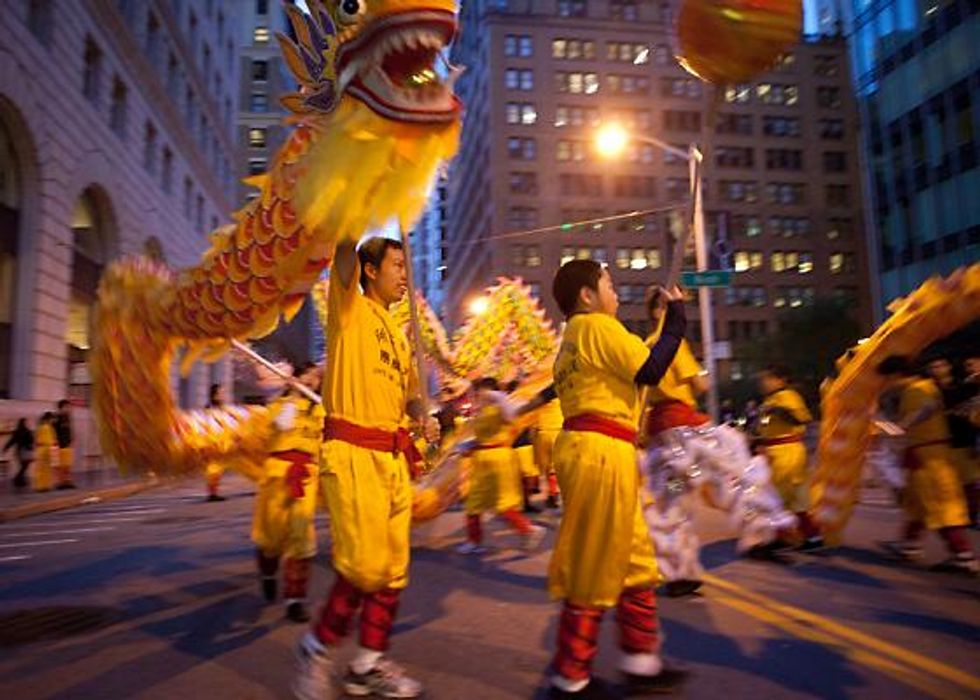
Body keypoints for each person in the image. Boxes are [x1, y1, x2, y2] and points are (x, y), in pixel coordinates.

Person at [294, 237, 438, 700]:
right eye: (397, 265)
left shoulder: (400, 336)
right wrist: (358, 184)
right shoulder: (348, 306)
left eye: (405, 266)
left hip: (393, 461)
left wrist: (422, 413)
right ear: (370, 270)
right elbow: (343, 249)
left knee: (393, 572)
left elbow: (411, 395)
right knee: (363, 568)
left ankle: (367, 665)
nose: (403, 274)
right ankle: (316, 648)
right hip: (352, 453)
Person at [547, 259, 688, 699]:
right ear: (587, 296)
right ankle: (570, 677)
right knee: (593, 563)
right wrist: (676, 319)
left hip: (598, 450)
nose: (615, 291)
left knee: (633, 560)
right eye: (609, 283)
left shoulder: (571, 340)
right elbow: (650, 368)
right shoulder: (596, 326)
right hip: (600, 452)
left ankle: (640, 661)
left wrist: (660, 322)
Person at [877, 356, 978, 574]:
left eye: (886, 379)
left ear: (895, 375)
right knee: (918, 505)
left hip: (929, 458)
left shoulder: (916, 390)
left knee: (940, 507)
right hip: (924, 455)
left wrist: (878, 422)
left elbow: (918, 415)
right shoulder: (923, 387)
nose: (886, 384)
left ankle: (963, 556)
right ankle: (909, 545)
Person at [252, 362, 324, 623]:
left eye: (316, 378)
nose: (311, 380)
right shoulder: (278, 407)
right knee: (270, 538)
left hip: (305, 477)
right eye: (306, 375)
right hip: (275, 475)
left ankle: (295, 599)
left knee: (301, 537)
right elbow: (281, 426)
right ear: (293, 378)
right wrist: (292, 397)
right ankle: (269, 574)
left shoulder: (320, 412)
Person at [457, 377, 544, 553]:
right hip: (482, 461)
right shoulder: (483, 412)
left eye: (479, 391)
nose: (476, 396)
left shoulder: (501, 408)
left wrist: (498, 397)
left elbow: (512, 416)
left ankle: (529, 530)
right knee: (474, 502)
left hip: (498, 461)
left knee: (502, 504)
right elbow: (483, 436)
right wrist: (470, 444)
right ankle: (474, 541)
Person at [753, 365, 823, 552]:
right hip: (778, 451)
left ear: (780, 379)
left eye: (767, 379)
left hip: (786, 451)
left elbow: (801, 419)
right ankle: (813, 537)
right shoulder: (771, 400)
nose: (763, 383)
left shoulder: (787, 396)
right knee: (795, 498)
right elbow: (766, 427)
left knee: (778, 497)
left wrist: (778, 411)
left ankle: (781, 538)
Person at [925, 356, 979, 529]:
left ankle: (971, 515)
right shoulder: (928, 390)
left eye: (940, 365)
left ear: (948, 367)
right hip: (943, 443)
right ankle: (965, 515)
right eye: (933, 366)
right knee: (956, 485)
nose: (937, 369)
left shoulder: (962, 386)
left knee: (972, 482)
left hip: (965, 440)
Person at [204, 383, 228, 502]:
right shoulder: (210, 409)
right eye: (221, 393)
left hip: (221, 441)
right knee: (214, 468)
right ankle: (212, 493)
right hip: (214, 442)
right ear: (215, 395)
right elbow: (212, 426)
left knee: (218, 469)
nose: (223, 395)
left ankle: (213, 492)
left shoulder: (221, 408)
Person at [4, 418, 34, 490]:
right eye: (26, 422)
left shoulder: (17, 431)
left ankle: (20, 480)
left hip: (19, 451)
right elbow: (31, 440)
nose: (27, 423)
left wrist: (6, 448)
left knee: (23, 466)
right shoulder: (26, 431)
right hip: (25, 451)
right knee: (24, 466)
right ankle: (18, 479)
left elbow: (12, 441)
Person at [53, 399, 75, 489]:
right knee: (60, 466)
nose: (69, 408)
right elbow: (54, 431)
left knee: (67, 465)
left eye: (69, 407)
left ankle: (67, 482)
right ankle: (60, 483)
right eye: (67, 407)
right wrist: (55, 442)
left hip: (67, 445)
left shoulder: (68, 418)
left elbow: (69, 431)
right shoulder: (56, 418)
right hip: (59, 445)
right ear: (61, 407)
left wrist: (71, 440)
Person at [34, 412, 56, 492]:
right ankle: (43, 486)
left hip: (43, 449)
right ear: (49, 419)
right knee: (44, 469)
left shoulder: (42, 427)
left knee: (43, 469)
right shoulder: (46, 427)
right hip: (45, 449)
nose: (53, 420)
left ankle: (43, 486)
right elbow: (49, 440)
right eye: (53, 419)